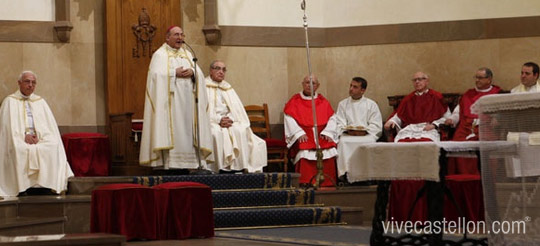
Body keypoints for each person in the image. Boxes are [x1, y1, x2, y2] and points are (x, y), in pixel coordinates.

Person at [139, 26, 213, 170]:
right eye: (176, 35)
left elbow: (200, 75)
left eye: (181, 35)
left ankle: (191, 164)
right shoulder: (160, 55)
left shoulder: (187, 54)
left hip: (188, 105)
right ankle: (170, 164)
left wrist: (193, 72)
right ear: (167, 37)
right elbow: (155, 77)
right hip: (170, 105)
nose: (180, 38)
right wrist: (173, 73)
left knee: (188, 133)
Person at [0, 71, 74, 197]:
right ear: (19, 83)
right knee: (19, 148)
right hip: (19, 138)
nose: (30, 85)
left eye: (33, 82)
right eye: (27, 82)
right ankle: (21, 187)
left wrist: (39, 136)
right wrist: (24, 136)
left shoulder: (40, 101)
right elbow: (8, 129)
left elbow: (49, 127)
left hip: (38, 138)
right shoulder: (9, 101)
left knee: (51, 146)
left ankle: (46, 185)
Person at [205, 60, 267, 173]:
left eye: (223, 70)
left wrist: (230, 119)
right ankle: (217, 168)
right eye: (217, 68)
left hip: (229, 121)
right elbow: (203, 110)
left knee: (240, 130)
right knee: (216, 133)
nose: (221, 72)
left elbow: (236, 109)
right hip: (211, 121)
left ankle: (238, 167)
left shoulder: (227, 87)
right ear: (211, 71)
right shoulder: (203, 86)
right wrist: (219, 120)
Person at [444, 67, 501, 174]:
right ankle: (462, 177)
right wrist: (452, 119)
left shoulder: (496, 94)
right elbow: (458, 112)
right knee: (457, 142)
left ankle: (484, 178)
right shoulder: (468, 94)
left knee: (486, 143)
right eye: (476, 77)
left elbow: (500, 113)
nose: (477, 80)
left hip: (485, 126)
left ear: (489, 79)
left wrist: (496, 118)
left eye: (480, 78)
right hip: (466, 127)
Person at [284, 74, 337, 187]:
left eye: (313, 83)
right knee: (304, 150)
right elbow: (289, 117)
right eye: (307, 82)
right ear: (303, 84)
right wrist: (298, 133)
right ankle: (306, 180)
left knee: (329, 150)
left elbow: (332, 118)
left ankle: (327, 182)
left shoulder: (323, 101)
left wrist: (328, 132)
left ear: (318, 86)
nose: (310, 85)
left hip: (321, 134)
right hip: (304, 134)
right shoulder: (295, 101)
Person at [326, 77, 382, 183]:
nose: (351, 89)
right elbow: (340, 123)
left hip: (366, 136)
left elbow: (376, 125)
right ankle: (346, 174)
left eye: (355, 87)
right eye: (350, 86)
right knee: (342, 142)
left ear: (363, 90)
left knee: (370, 142)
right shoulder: (343, 104)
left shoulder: (371, 104)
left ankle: (368, 175)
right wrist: (348, 130)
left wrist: (364, 131)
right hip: (348, 135)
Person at [384, 71, 450, 142]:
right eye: (415, 80)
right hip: (410, 129)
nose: (417, 82)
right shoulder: (408, 99)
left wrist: (434, 125)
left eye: (420, 79)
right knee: (401, 142)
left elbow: (447, 117)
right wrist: (392, 121)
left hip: (428, 129)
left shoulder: (436, 97)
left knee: (427, 142)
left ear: (427, 81)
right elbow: (399, 115)